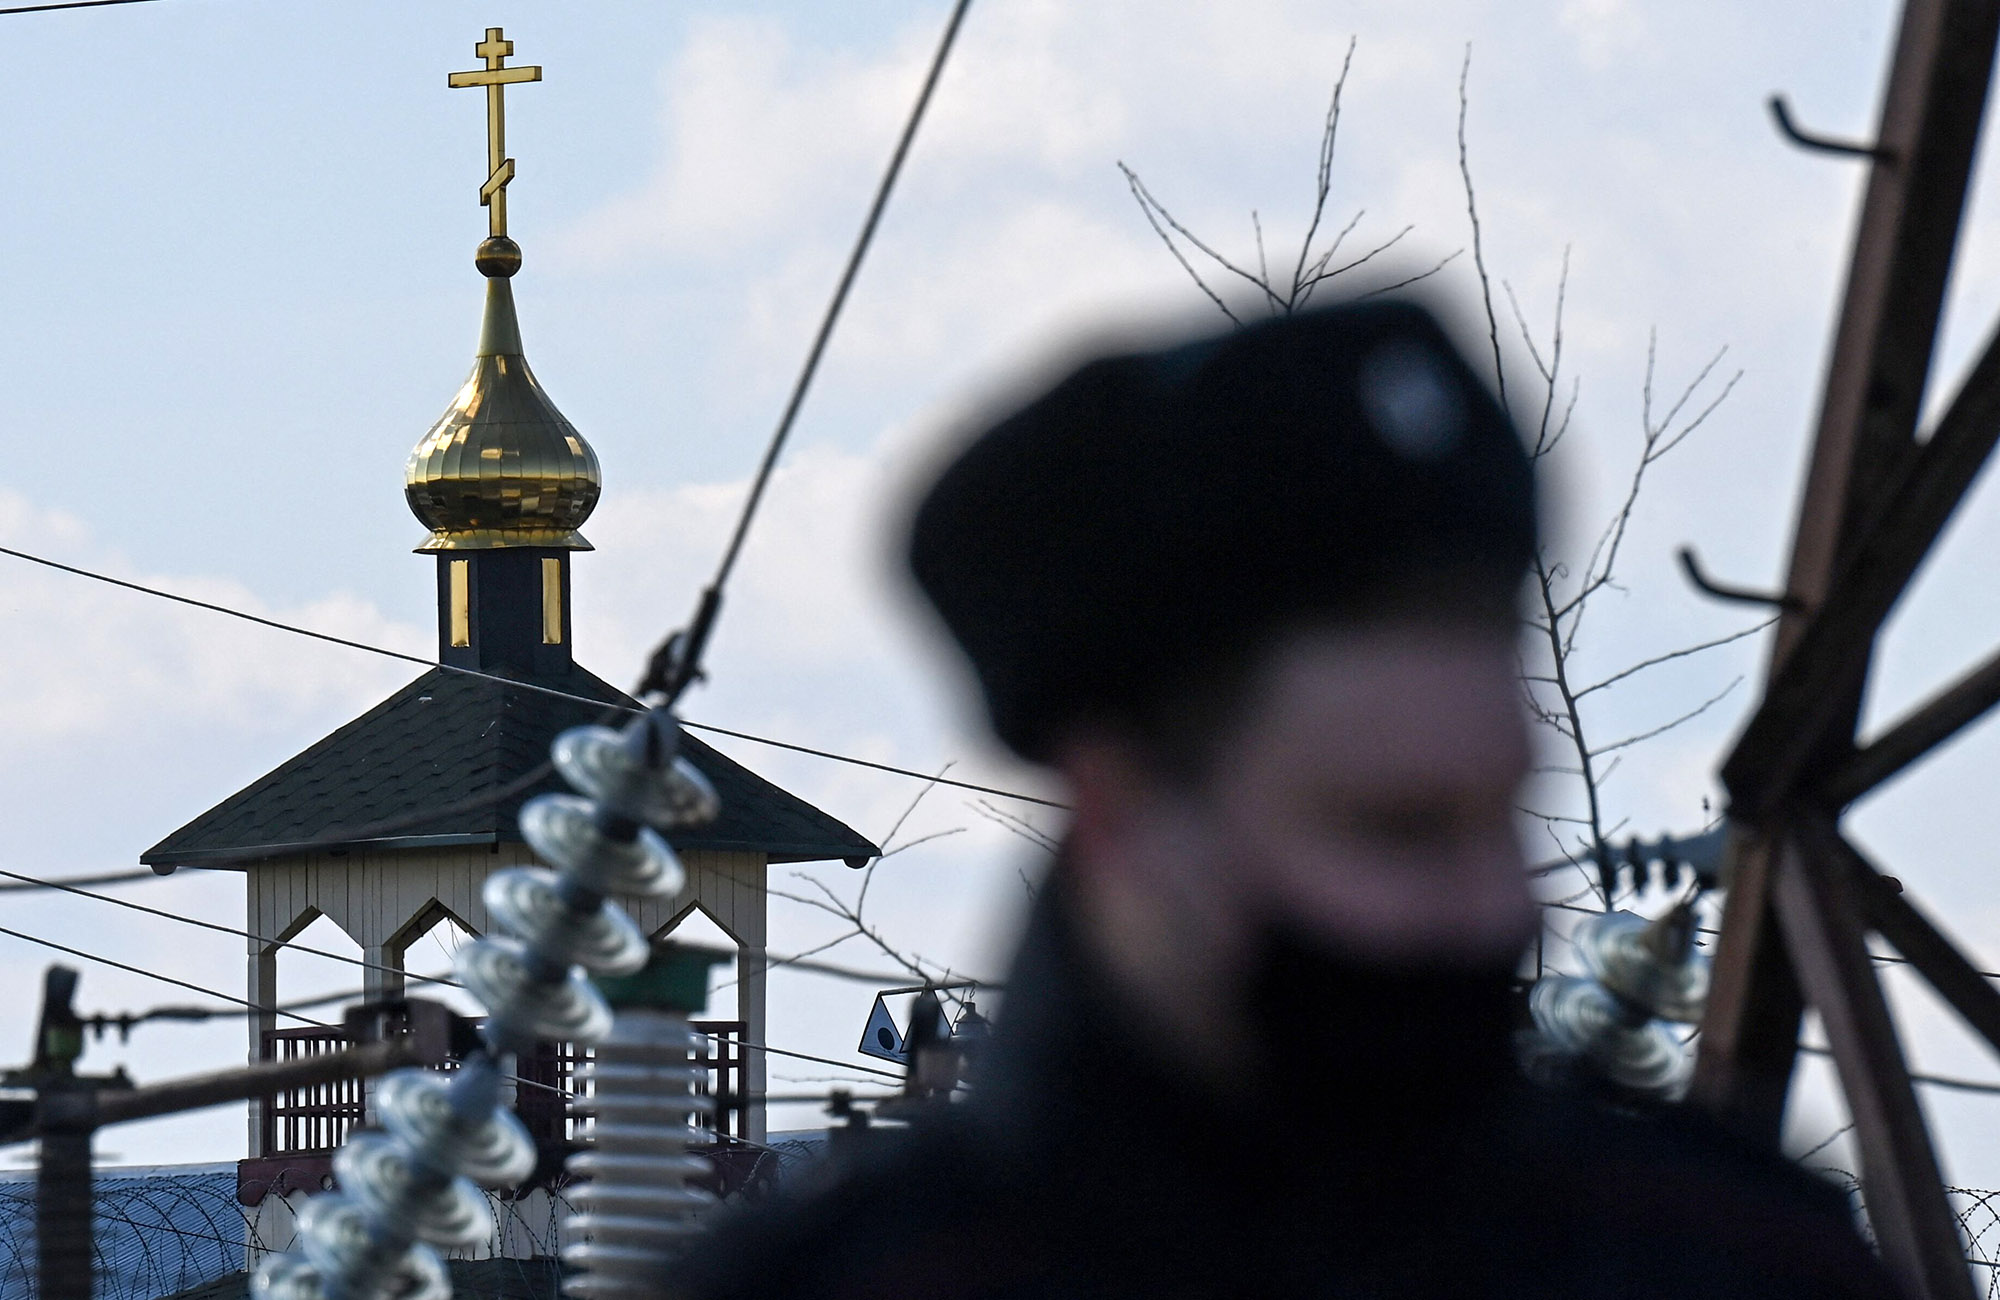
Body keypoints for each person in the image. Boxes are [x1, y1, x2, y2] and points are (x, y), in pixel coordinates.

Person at [674, 300, 1903, 1299]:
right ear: (1119, 810)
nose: (1497, 910)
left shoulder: (1733, 1264)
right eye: (1396, 827)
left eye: (1501, 816)